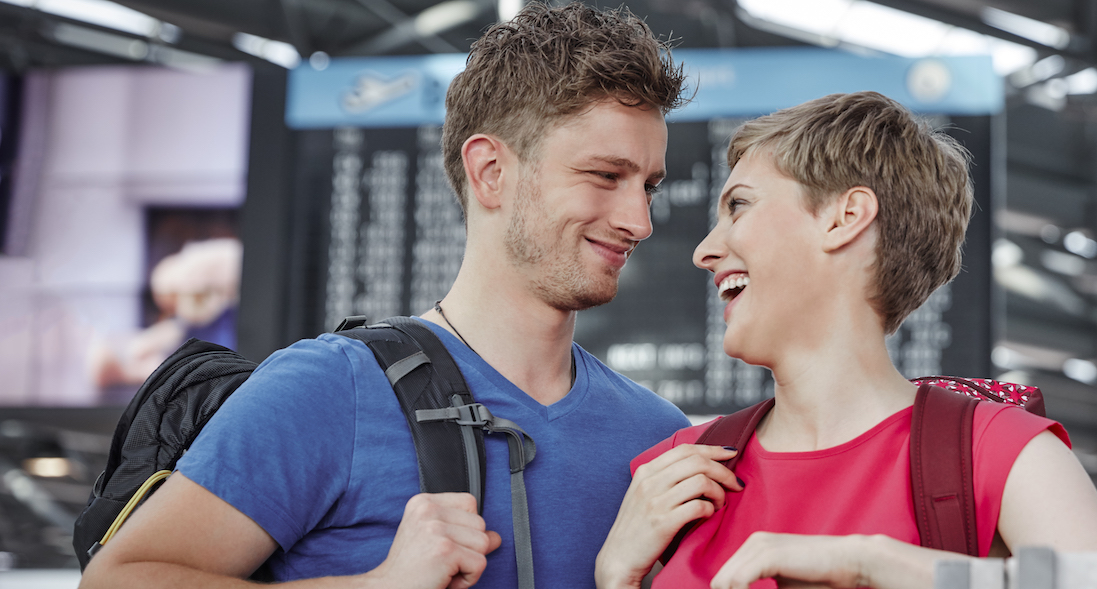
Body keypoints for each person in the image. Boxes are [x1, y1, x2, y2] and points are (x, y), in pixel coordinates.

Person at [79, 4, 693, 588]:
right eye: (605, 176)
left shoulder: (659, 438)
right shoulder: (328, 390)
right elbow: (119, 578)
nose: (639, 220)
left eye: (649, 186)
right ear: (490, 172)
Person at [594, 92, 1097, 589]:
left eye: (739, 205)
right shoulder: (678, 472)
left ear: (845, 217)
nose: (705, 250)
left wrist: (873, 563)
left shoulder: (990, 450)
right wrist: (617, 578)